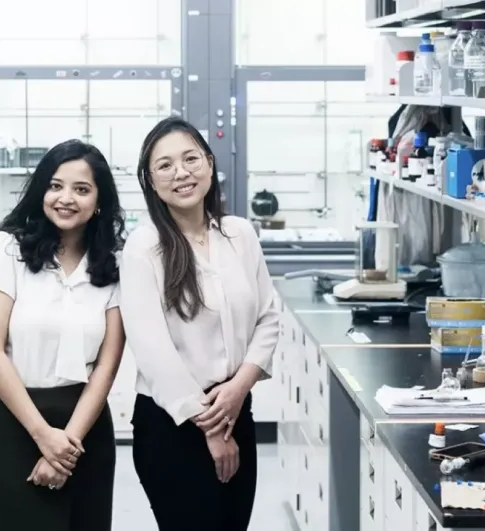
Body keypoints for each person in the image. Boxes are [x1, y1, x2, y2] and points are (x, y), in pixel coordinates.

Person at [119, 116, 281, 531]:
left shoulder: (239, 234)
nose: (182, 173)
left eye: (191, 158)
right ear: (150, 181)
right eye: (166, 165)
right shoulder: (144, 247)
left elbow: (268, 316)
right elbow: (152, 350)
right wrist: (210, 427)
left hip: (236, 410)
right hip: (172, 425)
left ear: (209, 163)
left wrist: (239, 387)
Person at [0, 139, 126, 531]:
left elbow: (107, 365)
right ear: (41, 191)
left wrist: (66, 446)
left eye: (82, 189)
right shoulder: (6, 250)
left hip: (84, 427)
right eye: (55, 186)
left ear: (100, 199)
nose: (65, 198)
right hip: (10, 422)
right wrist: (43, 437)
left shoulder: (114, 263)